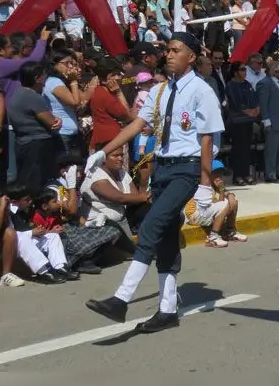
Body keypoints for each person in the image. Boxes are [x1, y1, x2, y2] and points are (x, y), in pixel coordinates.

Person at [82, 32, 224, 334]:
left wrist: (204, 185)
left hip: (186, 168)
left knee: (151, 226)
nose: (169, 54)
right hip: (162, 168)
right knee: (166, 237)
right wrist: (103, 152)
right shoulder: (160, 91)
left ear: (191, 57)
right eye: (168, 50)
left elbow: (207, 139)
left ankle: (121, 298)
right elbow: (136, 124)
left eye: (177, 50)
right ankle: (167, 309)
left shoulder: (202, 90)